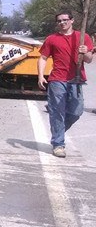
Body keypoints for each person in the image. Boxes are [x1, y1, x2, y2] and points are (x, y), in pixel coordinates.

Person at [36, 12, 94, 157]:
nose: (62, 23)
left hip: (76, 79)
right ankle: (58, 144)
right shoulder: (52, 39)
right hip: (57, 79)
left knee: (76, 111)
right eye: (59, 21)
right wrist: (41, 76)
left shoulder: (83, 37)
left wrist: (85, 51)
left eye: (65, 20)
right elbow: (43, 58)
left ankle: (58, 131)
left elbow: (89, 60)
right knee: (57, 112)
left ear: (72, 21)